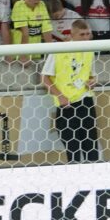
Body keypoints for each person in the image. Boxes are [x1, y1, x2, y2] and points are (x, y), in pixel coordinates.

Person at [41, 18, 99, 163]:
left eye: (88, 34)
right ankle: (76, 181)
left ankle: (93, 180)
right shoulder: (59, 51)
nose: (86, 38)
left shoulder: (90, 51)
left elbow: (91, 75)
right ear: (72, 35)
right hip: (66, 104)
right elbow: (44, 78)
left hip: (86, 101)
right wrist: (60, 96)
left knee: (91, 147)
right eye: (82, 35)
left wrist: (93, 81)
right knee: (72, 149)